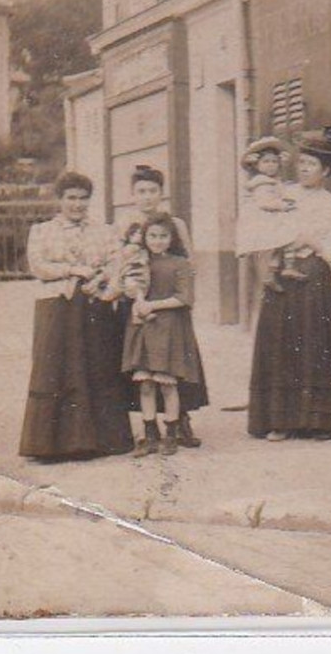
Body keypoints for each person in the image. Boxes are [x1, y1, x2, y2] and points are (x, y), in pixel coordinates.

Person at [246, 126, 331, 441]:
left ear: (327, 170)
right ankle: (281, 419)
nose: (304, 169)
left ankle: (319, 420)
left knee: (314, 344)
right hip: (282, 274)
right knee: (281, 343)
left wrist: (310, 241)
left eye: (312, 165)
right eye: (302, 163)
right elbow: (261, 224)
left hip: (314, 276)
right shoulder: (283, 194)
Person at [18, 171, 134, 461]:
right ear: (60, 200)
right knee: (56, 368)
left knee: (97, 367)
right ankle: (52, 445)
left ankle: (100, 441)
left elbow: (117, 261)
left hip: (95, 305)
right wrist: (72, 270)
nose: (77, 204)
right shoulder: (42, 231)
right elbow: (39, 266)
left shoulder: (104, 231)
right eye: (71, 198)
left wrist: (103, 279)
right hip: (57, 306)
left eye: (83, 199)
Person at [117, 164, 205, 448]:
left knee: (176, 365)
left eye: (153, 191)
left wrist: (183, 294)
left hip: (171, 305)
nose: (147, 197)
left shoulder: (175, 224)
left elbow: (189, 261)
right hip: (139, 303)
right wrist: (134, 298)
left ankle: (181, 422)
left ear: (161, 193)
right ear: (133, 195)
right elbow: (121, 264)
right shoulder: (128, 225)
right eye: (141, 191)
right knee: (144, 368)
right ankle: (148, 428)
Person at [237, 136, 303, 291]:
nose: (271, 165)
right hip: (265, 218)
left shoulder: (273, 180)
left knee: (282, 242)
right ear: (257, 165)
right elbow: (265, 203)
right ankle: (273, 272)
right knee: (279, 240)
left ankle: (282, 269)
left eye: (274, 162)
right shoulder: (261, 182)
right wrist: (283, 206)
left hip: (272, 216)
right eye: (266, 162)